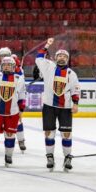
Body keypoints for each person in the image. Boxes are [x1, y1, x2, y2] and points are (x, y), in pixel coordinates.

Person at [36, 37, 80, 171]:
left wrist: (76, 104)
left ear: (67, 59)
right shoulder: (48, 67)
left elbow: (75, 90)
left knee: (66, 134)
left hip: (65, 108)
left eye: (64, 56)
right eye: (59, 55)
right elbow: (38, 58)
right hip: (49, 106)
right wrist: (47, 45)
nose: (62, 58)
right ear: (55, 58)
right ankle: (50, 156)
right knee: (49, 133)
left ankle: (67, 157)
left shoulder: (72, 74)